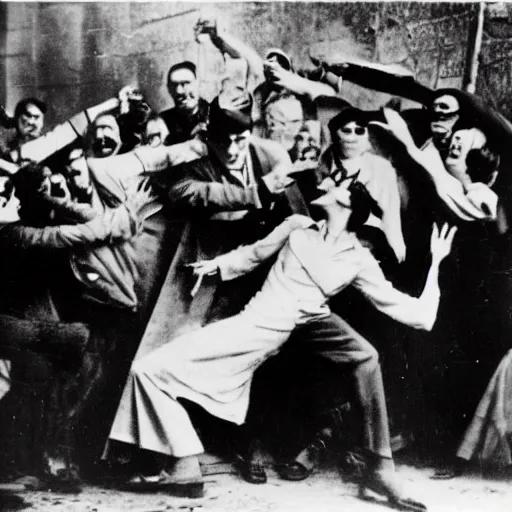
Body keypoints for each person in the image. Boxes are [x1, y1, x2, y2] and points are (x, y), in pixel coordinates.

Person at [105, 178, 455, 512]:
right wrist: (217, 265)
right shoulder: (298, 226)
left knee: (366, 356)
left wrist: (436, 264)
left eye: (336, 187)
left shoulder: (358, 259)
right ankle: (183, 463)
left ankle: (381, 468)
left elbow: (415, 313)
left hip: (282, 329)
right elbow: (255, 254)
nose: (326, 185)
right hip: (255, 326)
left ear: (346, 204)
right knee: (151, 371)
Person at [159, 61, 209, 144]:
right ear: (168, 88)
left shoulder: (216, 115)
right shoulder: (163, 121)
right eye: (174, 85)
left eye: (186, 83)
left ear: (199, 84)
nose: (179, 91)